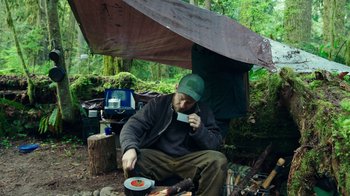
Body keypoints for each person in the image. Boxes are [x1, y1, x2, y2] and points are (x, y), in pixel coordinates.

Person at [120, 74, 227, 196]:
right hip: (159, 158)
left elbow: (215, 143)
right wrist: (129, 148)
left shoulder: (204, 111)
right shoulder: (158, 104)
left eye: (189, 102)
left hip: (189, 160)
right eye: (181, 98)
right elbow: (132, 126)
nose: (182, 105)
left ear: (196, 101)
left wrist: (200, 129)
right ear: (176, 88)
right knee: (135, 159)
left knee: (218, 160)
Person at [192, 44, 253, 139]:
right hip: (220, 105)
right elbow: (245, 64)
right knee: (214, 137)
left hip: (208, 101)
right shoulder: (217, 50)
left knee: (208, 132)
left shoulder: (197, 46)